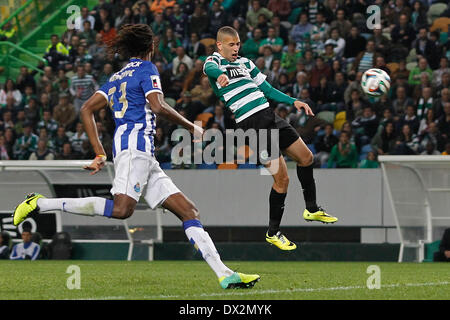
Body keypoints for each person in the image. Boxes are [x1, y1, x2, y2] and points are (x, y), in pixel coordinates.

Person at [12, 24, 259, 290]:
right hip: (134, 147)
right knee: (121, 209)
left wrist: (99, 151)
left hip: (140, 151)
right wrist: (191, 126)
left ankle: (224, 274)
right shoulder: (146, 69)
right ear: (150, 47)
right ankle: (41, 204)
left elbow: (86, 109)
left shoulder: (118, 76)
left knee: (188, 211)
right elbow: (158, 105)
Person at [203, 26, 338, 252]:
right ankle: (273, 233)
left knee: (306, 157)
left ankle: (312, 209)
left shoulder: (246, 64)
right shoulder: (215, 62)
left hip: (269, 115)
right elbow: (209, 69)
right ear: (220, 45)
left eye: (238, 44)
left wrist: (294, 101)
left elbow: (267, 89)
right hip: (251, 123)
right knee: (282, 179)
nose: (236, 48)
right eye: (231, 44)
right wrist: (221, 75)